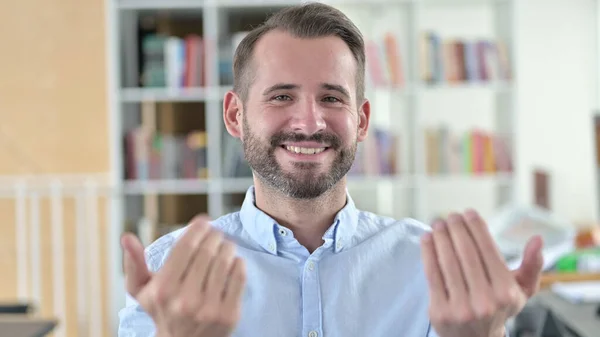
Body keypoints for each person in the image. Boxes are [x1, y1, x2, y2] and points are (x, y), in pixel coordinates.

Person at [118, 3, 544, 337]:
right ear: (235, 116)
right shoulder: (169, 273)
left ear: (361, 121)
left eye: (332, 98)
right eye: (282, 96)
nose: (309, 123)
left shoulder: (433, 267)